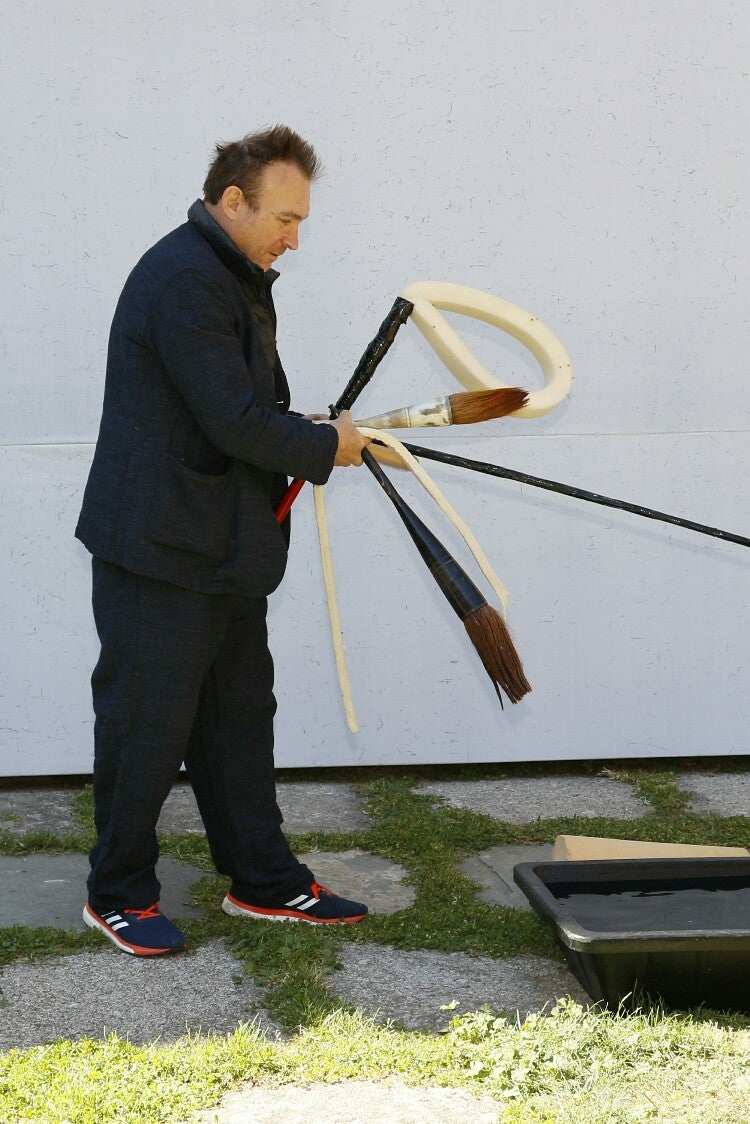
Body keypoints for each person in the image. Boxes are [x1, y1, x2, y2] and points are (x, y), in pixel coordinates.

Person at [75, 125, 372, 956]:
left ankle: (264, 881)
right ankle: (118, 892)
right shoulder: (183, 280)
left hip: (221, 547)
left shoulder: (233, 272)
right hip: (160, 549)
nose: (294, 238)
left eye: (301, 220)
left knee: (238, 718)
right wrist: (324, 448)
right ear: (232, 202)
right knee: (145, 723)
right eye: (284, 217)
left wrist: (316, 433)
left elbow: (237, 410)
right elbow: (236, 421)